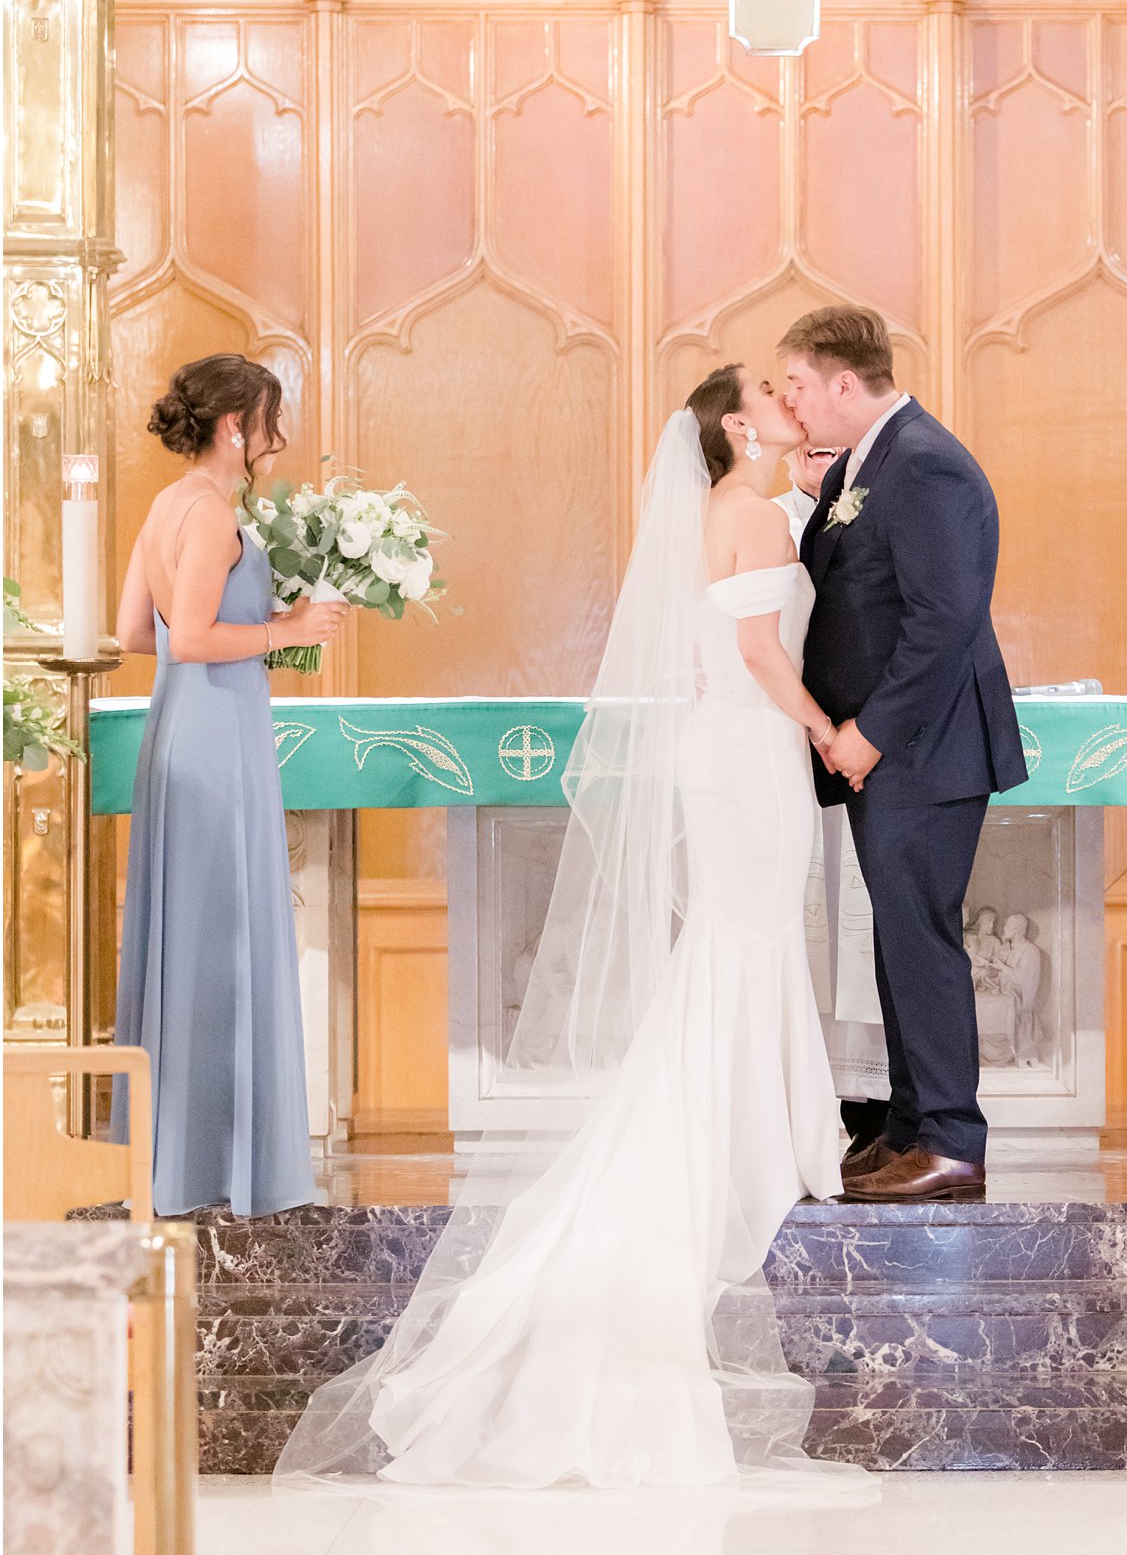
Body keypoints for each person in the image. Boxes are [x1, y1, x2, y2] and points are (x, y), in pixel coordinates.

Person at [277, 366, 866, 1493]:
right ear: (737, 425)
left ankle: (767, 1127)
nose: (793, 404)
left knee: (745, 945)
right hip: (750, 755)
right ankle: (756, 1134)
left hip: (740, 757)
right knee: (743, 943)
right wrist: (829, 733)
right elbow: (753, 655)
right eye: (770, 398)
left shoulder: (748, 503)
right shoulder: (738, 510)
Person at [784, 306, 1027, 1204]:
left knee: (921, 939)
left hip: (922, 748)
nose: (792, 405)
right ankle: (910, 1123)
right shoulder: (870, 461)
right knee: (898, 938)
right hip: (894, 753)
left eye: (800, 387)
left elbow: (942, 620)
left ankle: (953, 1138)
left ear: (845, 383)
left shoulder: (925, 464)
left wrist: (869, 733)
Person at [110, 354, 346, 1216]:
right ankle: (223, 1161)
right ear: (233, 426)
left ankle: (178, 1154)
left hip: (181, 724)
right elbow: (201, 634)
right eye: (266, 420)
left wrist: (235, 633)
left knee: (190, 930)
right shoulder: (211, 517)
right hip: (218, 735)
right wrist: (289, 628)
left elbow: (139, 629)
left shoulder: (165, 507)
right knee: (226, 933)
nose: (274, 438)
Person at [773, 439, 841, 551]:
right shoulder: (764, 521)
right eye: (804, 427)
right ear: (783, 451)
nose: (821, 437)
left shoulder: (875, 511)